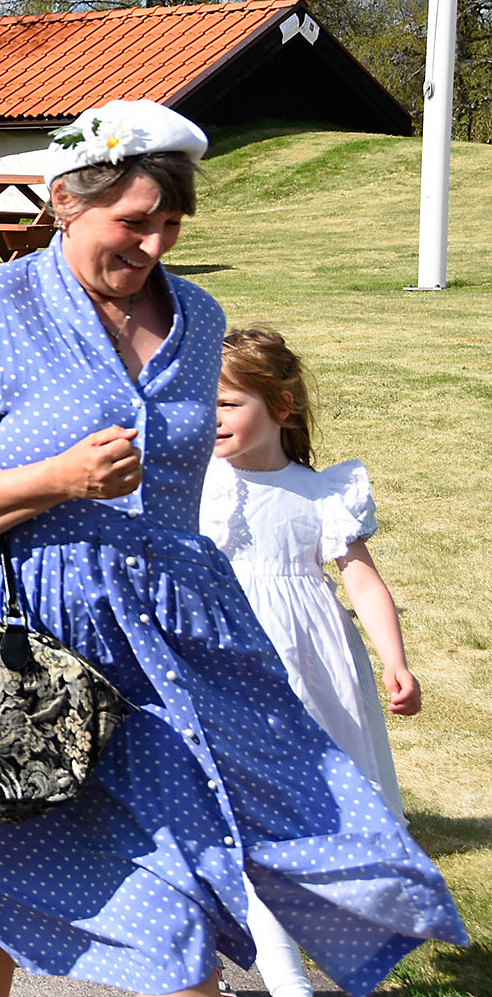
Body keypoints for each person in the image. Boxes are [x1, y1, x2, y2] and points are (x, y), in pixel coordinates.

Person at [0, 99, 465, 997]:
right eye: (133, 221)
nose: (154, 244)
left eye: (169, 223)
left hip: (171, 640)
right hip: (22, 644)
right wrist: (58, 479)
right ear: (66, 202)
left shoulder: (198, 316)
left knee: (191, 881)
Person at [204, 326, 423, 997]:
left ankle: (280, 964)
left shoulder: (322, 492)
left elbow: (361, 579)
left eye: (229, 404)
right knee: (230, 818)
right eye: (205, 405)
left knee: (288, 825)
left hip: (308, 667)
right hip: (224, 665)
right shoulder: (199, 482)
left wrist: (395, 659)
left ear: (283, 405)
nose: (213, 419)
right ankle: (260, 969)